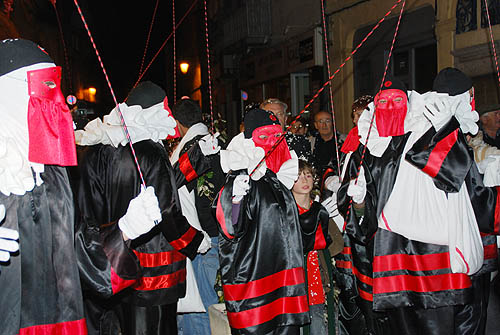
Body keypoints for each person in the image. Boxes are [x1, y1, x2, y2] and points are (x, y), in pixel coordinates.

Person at [337, 72, 499, 334]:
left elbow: (462, 187)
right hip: (394, 262)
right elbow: (355, 209)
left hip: (438, 260)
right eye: (384, 103)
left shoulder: (425, 135)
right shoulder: (368, 149)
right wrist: (357, 202)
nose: (390, 109)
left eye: (397, 102)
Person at [73, 81, 219, 334]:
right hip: (153, 273)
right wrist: (195, 241)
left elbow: (88, 212)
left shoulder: (96, 150)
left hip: (110, 264)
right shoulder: (151, 151)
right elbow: (166, 210)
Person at [0, 38, 87, 334]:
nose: (58, 102)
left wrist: (127, 230)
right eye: (47, 87)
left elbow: (75, 253)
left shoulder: (53, 172)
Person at [216, 108, 310, 334]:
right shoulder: (242, 178)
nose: (272, 143)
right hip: (254, 283)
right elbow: (230, 228)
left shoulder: (278, 180)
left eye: (277, 136)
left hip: (284, 284)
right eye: (264, 137)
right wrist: (236, 198)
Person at [170, 98, 223, 335]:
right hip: (220, 231)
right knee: (205, 298)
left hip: (200, 238)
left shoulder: (190, 150)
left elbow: (173, 186)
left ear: (179, 123)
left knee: (199, 302)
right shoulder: (217, 142)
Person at [292, 159, 344, 335]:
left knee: (320, 322)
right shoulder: (286, 210)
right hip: (297, 276)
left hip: (320, 273)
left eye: (307, 175)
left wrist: (333, 221)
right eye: (298, 177)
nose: (305, 180)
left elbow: (336, 245)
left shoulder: (320, 208)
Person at [311, 110, 345, 176]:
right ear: (316, 125)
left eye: (327, 121)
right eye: (320, 121)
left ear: (333, 123)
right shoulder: (310, 143)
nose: (324, 125)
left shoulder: (344, 141)